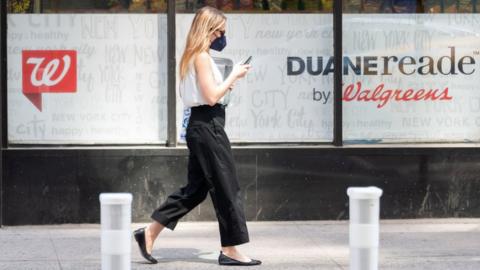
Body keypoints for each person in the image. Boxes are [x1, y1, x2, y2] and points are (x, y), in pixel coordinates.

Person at [133, 6, 261, 266]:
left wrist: (226, 84)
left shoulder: (193, 57)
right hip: (208, 127)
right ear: (209, 30)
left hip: (201, 126)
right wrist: (234, 74)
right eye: (220, 31)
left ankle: (149, 232)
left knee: (196, 190)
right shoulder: (201, 58)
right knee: (227, 187)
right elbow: (212, 97)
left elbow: (205, 94)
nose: (223, 37)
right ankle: (230, 250)